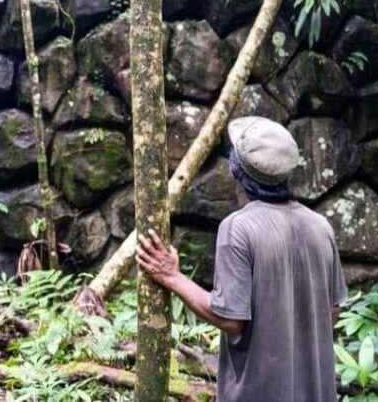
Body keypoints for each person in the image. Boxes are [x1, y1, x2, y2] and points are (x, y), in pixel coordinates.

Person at [136, 116, 348, 401]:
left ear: (237, 173)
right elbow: (332, 311)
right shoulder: (321, 226)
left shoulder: (238, 228)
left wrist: (171, 276)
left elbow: (230, 319)